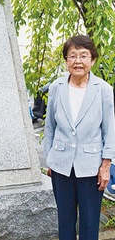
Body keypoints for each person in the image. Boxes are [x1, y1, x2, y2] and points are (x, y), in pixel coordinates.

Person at [43, 35, 115, 240]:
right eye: (72, 56)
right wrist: (49, 158)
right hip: (61, 164)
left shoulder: (103, 90)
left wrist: (106, 166)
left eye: (83, 56)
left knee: (89, 222)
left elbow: (110, 129)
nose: (77, 61)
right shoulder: (56, 87)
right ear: (66, 60)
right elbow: (50, 127)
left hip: (91, 166)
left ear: (92, 60)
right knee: (64, 220)